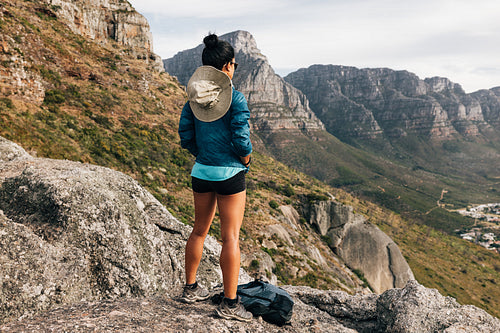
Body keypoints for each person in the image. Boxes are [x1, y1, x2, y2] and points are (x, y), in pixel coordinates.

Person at [178, 33, 253, 322]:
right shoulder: (234, 97)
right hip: (230, 174)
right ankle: (230, 304)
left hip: (202, 172)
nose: (235, 68)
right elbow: (241, 137)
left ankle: (190, 288)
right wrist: (245, 159)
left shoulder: (194, 99)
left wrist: (203, 153)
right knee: (229, 238)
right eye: (234, 64)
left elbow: (186, 135)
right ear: (226, 67)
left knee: (198, 231)